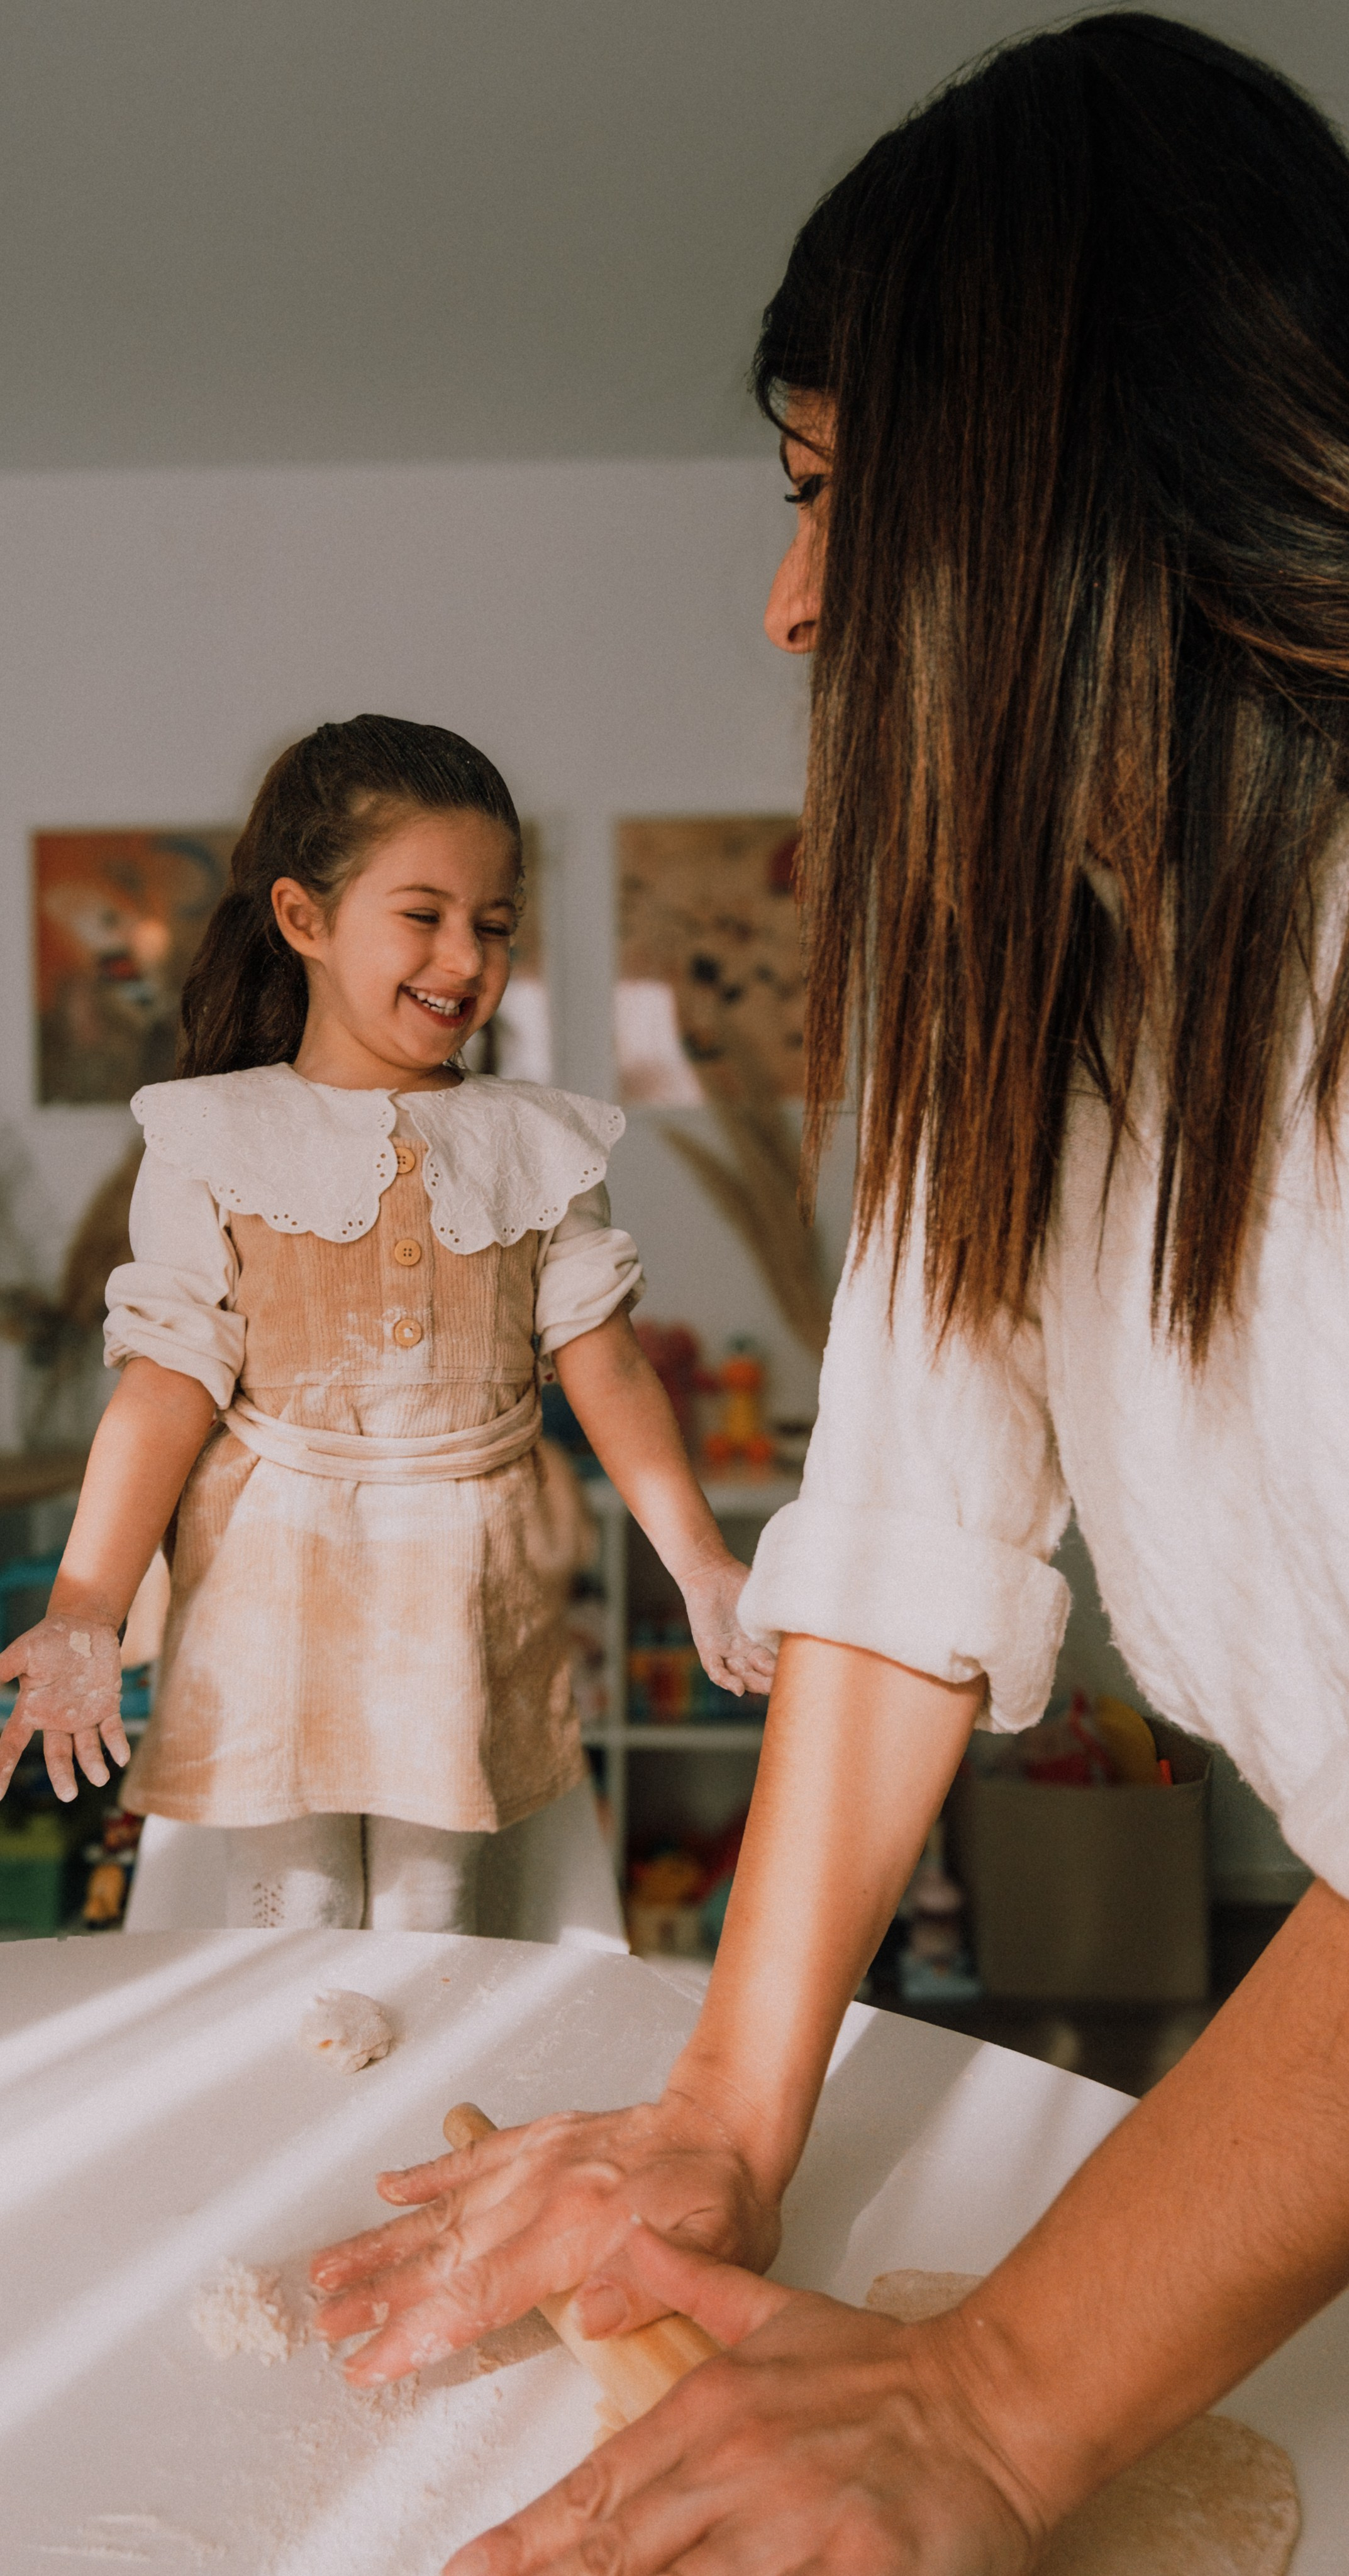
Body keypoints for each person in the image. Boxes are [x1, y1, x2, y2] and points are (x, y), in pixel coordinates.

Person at [312, 17, 1349, 2566]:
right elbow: (915, 1536)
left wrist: (992, 2408)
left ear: (1071, 475)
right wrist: (729, 2109)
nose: (792, 600)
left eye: (832, 493)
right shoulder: (1053, 988)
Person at [0, 714, 774, 1931]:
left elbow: (606, 1361)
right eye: (422, 914)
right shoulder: (214, 1134)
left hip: (468, 1572)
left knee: (439, 1904)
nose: (463, 955)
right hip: (270, 1569)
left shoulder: (542, 1143)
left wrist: (700, 1560)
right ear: (304, 919)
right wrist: (87, 1602)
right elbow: (165, 1383)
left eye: (495, 921)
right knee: (284, 1902)